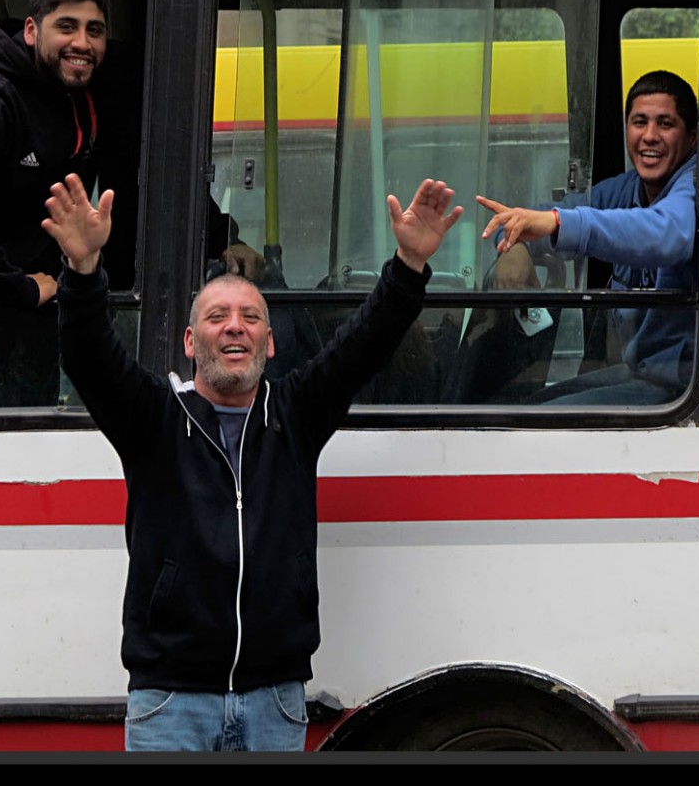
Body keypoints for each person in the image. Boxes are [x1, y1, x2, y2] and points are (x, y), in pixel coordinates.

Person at [42, 174, 463, 751]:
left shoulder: (296, 413)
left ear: (270, 342)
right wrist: (83, 270)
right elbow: (88, 355)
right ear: (191, 343)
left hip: (274, 700)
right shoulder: (153, 420)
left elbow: (365, 342)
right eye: (217, 317)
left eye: (250, 317)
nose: (234, 326)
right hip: (170, 702)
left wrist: (409, 265)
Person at [0, 0, 259, 408]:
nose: (81, 42)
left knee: (32, 431)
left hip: (35, 310)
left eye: (93, 30)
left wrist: (221, 241)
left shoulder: (92, 95)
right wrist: (12, 285)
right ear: (31, 30)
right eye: (66, 27)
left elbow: (141, 179)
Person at [475, 69, 698, 405]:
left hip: (681, 388)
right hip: (640, 370)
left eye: (665, 124)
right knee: (527, 408)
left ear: (692, 137)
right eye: (639, 122)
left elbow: (667, 234)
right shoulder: (626, 189)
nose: (650, 136)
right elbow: (545, 214)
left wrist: (556, 224)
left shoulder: (695, 183)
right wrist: (514, 245)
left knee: (530, 429)